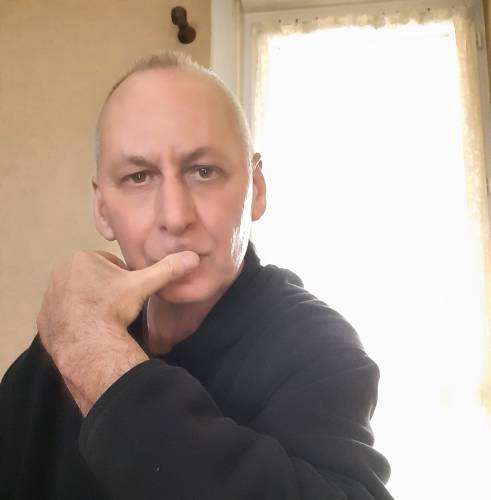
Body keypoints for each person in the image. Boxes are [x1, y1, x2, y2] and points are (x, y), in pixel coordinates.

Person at [0, 50, 393, 500]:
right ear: (102, 208)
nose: (175, 216)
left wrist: (96, 357)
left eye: (203, 172)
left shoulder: (320, 349)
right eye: (138, 177)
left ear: (256, 189)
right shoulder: (67, 335)